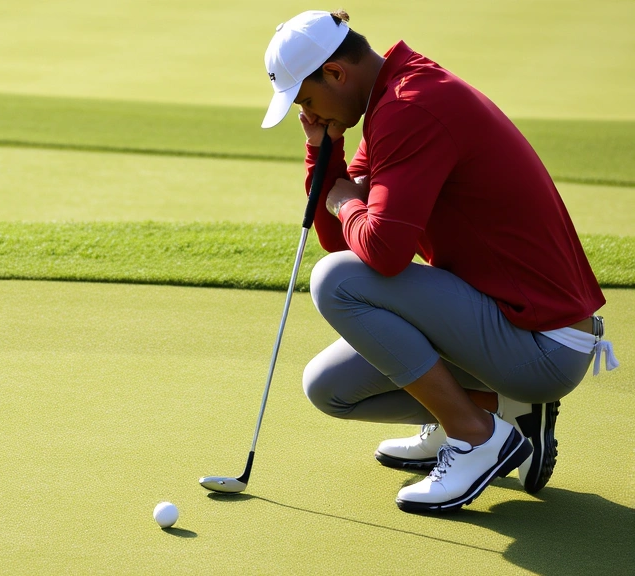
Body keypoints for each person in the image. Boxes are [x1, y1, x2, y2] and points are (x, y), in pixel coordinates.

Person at [260, 10, 619, 513]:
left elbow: (381, 253)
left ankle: (474, 436)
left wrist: (345, 203)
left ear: (335, 73)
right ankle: (507, 414)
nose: (309, 113)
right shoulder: (390, 101)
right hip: (500, 325)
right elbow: (340, 240)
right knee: (329, 388)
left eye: (306, 100)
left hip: (544, 344)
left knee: (335, 282)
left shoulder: (411, 107)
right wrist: (323, 149)